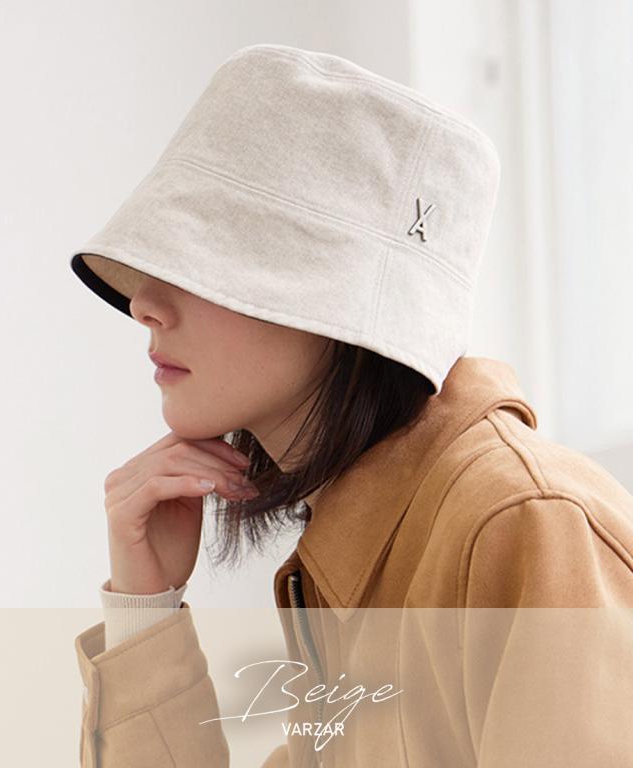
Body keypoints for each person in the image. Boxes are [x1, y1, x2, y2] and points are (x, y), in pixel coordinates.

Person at [70, 44, 633, 768]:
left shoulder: (523, 523)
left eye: (206, 257)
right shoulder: (360, 567)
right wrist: (143, 610)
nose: (144, 305)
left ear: (340, 299)